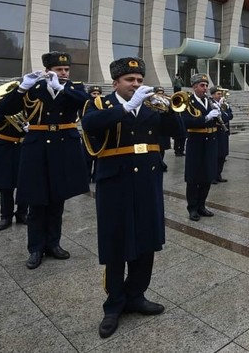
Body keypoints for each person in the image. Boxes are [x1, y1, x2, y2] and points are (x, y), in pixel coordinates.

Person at [81, 57, 181, 339]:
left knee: (146, 239)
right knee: (116, 242)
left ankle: (136, 294)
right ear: (116, 83)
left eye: (139, 80)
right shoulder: (101, 104)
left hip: (147, 180)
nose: (136, 84)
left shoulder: (149, 106)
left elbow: (178, 133)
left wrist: (169, 111)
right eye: (129, 80)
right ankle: (113, 305)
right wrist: (128, 106)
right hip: (116, 181)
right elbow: (90, 125)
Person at [0, 51, 90, 270]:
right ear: (48, 70)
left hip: (63, 146)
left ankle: (54, 243)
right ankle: (36, 248)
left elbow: (86, 104)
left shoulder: (74, 87)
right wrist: (21, 88)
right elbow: (3, 109)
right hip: (37, 147)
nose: (64, 73)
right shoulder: (33, 88)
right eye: (59, 70)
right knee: (37, 200)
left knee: (58, 198)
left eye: (66, 69)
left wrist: (62, 88)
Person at [180, 73, 220, 221]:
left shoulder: (210, 101)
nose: (205, 88)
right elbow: (186, 122)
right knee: (193, 177)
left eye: (206, 85)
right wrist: (207, 117)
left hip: (211, 142)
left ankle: (202, 205)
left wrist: (219, 112)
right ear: (194, 87)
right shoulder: (187, 102)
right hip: (195, 142)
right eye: (202, 85)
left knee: (207, 175)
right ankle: (192, 208)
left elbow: (225, 119)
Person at [0, 93, 27, 230]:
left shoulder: (27, 104)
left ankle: (22, 213)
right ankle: (6, 216)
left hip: (24, 146)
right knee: (5, 184)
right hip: (5, 147)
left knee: (24, 182)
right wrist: (4, 111)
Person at [211, 86, 232, 183]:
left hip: (224, 132)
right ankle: (213, 176)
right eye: (218, 94)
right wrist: (223, 112)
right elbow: (221, 117)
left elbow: (230, 116)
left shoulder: (224, 104)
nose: (220, 96)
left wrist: (225, 109)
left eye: (221, 94)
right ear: (213, 95)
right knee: (216, 155)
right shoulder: (212, 104)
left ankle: (219, 174)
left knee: (223, 155)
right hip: (217, 132)